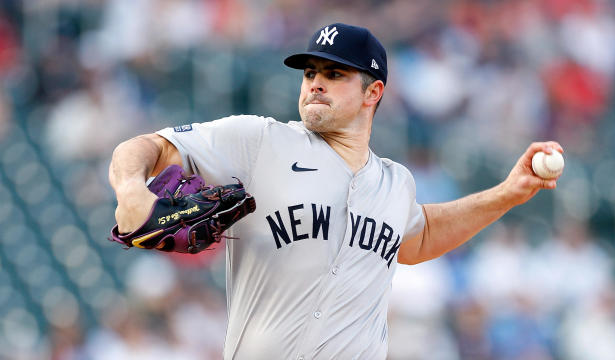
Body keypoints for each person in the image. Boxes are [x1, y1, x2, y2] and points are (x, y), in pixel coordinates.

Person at [109, 23, 563, 359]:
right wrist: (131, 187)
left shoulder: (394, 181)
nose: (315, 83)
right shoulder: (261, 141)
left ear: (373, 92)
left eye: (335, 73)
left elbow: (420, 237)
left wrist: (508, 191)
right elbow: (148, 146)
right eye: (309, 73)